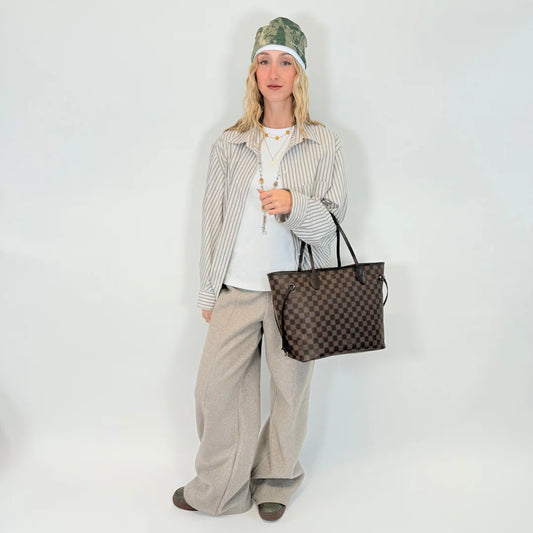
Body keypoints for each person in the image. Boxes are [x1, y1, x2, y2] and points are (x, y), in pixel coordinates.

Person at [172, 16, 348, 521]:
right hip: (237, 288)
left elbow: (334, 225)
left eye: (285, 62)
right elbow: (211, 223)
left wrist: (296, 204)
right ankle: (220, 486)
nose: (274, 72)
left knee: (289, 391)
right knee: (215, 390)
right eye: (264, 61)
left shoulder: (323, 143)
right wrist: (209, 293)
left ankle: (275, 481)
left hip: (298, 293)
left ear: (300, 74)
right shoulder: (229, 143)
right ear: (253, 71)